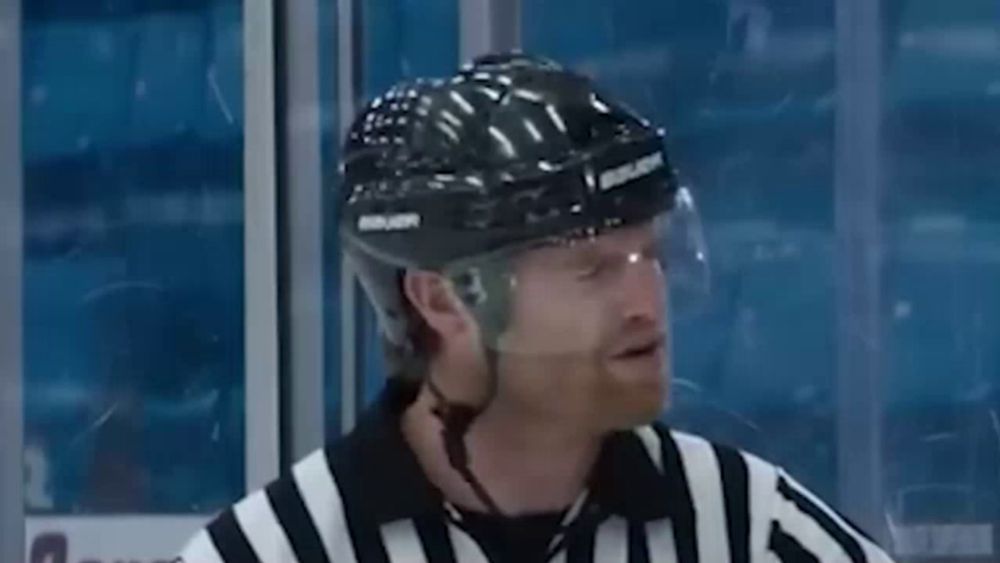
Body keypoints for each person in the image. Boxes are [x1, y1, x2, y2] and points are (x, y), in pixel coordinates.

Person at [178, 53, 895, 562]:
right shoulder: (273, 549)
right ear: (443, 298)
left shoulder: (749, 528)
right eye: (593, 269)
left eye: (651, 255)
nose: (648, 302)